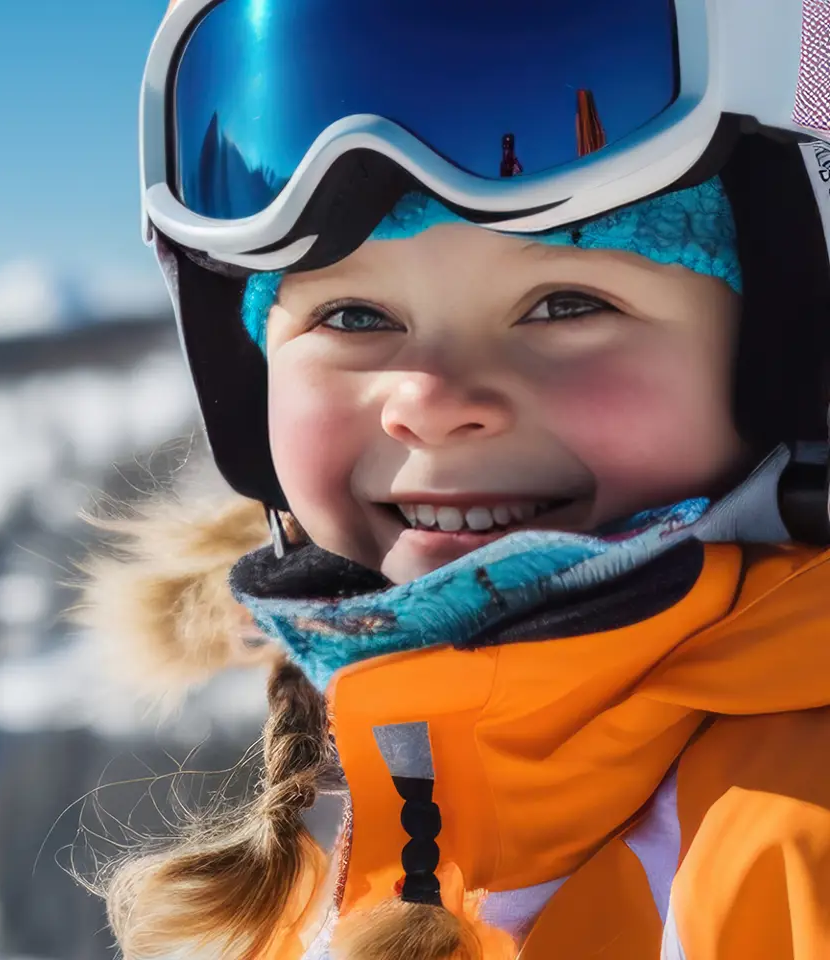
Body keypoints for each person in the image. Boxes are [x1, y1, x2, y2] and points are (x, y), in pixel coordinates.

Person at [84, 1, 830, 957]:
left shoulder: (794, 853)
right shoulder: (302, 873)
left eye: (564, 303)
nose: (429, 402)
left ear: (786, 362)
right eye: (353, 317)